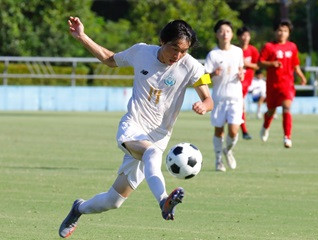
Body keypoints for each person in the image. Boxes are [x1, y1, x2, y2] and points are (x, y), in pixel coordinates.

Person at [58, 17, 213, 238]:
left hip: (159, 137)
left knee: (113, 201)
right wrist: (82, 36)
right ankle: (163, 201)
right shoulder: (141, 52)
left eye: (184, 51)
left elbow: (209, 98)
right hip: (132, 127)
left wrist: (204, 106)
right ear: (162, 41)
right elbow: (110, 59)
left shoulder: (194, 67)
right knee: (151, 152)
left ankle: (78, 208)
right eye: (174, 48)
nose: (177, 56)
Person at [259, 19, 307, 148]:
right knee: (271, 111)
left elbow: (295, 65)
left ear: (289, 33)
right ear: (275, 32)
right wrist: (271, 63)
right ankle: (266, 125)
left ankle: (287, 137)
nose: (282, 33)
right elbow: (260, 63)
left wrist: (302, 77)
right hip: (273, 85)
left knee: (287, 107)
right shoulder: (269, 47)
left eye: (285, 31)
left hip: (287, 85)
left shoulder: (292, 47)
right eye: (279, 30)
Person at [204, 19, 244, 172]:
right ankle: (218, 160)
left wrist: (241, 75)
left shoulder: (238, 51)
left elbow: (241, 70)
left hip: (235, 98)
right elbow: (203, 78)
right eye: (221, 31)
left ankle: (228, 150)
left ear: (232, 34)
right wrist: (214, 74)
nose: (224, 34)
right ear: (216, 34)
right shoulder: (213, 54)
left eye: (227, 31)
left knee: (234, 131)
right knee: (219, 130)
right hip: (219, 98)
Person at [236, 26, 260, 140]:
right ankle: (243, 131)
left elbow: (258, 65)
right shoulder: (234, 50)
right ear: (238, 37)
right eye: (243, 35)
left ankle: (241, 130)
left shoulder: (253, 50)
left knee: (239, 107)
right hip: (235, 83)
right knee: (239, 107)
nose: (245, 38)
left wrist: (246, 64)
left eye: (247, 35)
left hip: (247, 83)